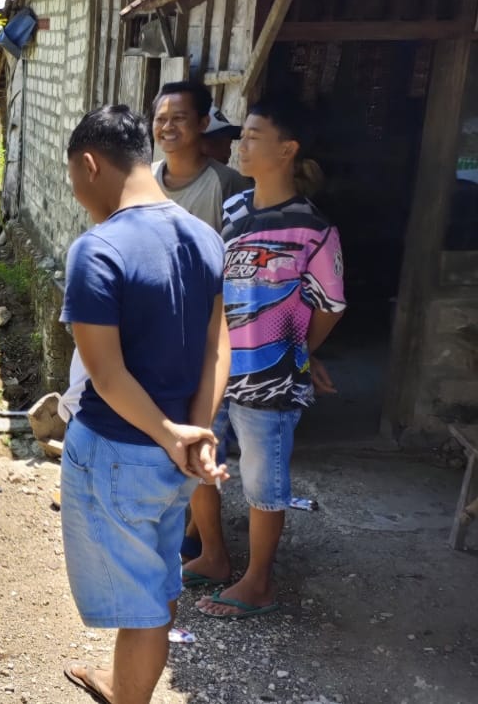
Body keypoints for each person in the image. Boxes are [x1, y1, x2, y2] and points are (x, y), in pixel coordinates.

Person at [59, 105, 229, 704]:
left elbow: (106, 375)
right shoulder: (205, 236)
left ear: (90, 164)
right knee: (157, 578)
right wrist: (193, 432)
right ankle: (123, 682)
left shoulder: (98, 249)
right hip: (175, 453)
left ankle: (126, 695)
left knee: (142, 606)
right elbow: (217, 344)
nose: (78, 193)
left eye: (74, 179)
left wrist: (170, 434)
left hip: (117, 448)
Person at [187, 97, 346, 619]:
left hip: (272, 378)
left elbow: (330, 305)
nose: (242, 144)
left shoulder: (313, 229)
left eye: (254, 136)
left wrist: (299, 350)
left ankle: (258, 582)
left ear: (287, 150)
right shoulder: (234, 210)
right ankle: (213, 556)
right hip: (216, 366)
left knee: (263, 480)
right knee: (200, 461)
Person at [152, 81, 250, 230]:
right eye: (160, 119)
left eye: (179, 118)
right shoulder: (145, 178)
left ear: (203, 123)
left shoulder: (228, 183)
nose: (167, 127)